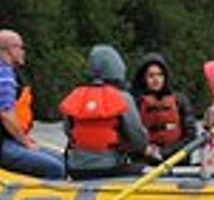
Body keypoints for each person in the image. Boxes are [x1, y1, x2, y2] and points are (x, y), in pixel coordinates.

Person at [0, 29, 65, 179]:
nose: (23, 52)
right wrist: (25, 142)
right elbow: (6, 115)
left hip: (0, 142)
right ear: (10, 50)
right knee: (55, 167)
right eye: (20, 47)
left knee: (63, 160)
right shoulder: (3, 76)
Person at [59, 44, 151, 178]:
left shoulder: (75, 96)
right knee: (147, 169)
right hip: (111, 168)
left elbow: (68, 131)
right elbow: (139, 140)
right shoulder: (123, 97)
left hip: (76, 169)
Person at [131, 52, 197, 159]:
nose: (156, 79)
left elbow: (190, 135)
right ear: (143, 78)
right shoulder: (135, 102)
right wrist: (148, 151)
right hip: (146, 161)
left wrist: (166, 152)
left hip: (176, 160)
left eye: (160, 75)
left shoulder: (180, 101)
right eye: (151, 76)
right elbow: (131, 136)